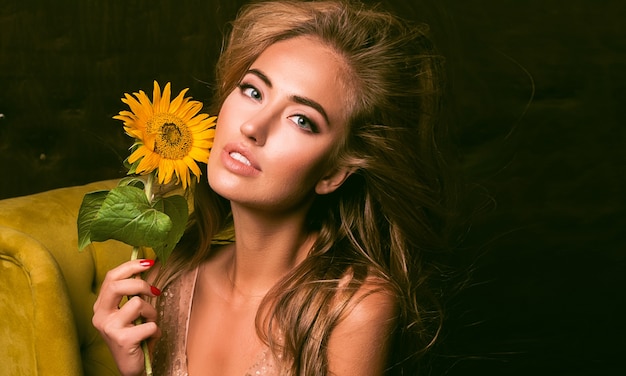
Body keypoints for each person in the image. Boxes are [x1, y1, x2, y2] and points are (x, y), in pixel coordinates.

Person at [92, 0, 453, 375]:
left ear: (333, 173)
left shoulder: (350, 308)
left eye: (301, 120)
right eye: (253, 91)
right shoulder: (166, 282)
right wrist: (134, 371)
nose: (253, 126)